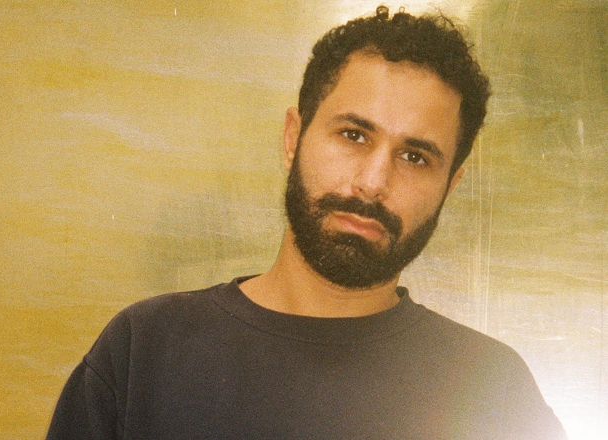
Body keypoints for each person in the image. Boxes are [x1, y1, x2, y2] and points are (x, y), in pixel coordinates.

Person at [47, 6, 567, 439]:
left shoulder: (494, 390)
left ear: (449, 186)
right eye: (354, 135)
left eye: (415, 157)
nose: (372, 182)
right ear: (293, 137)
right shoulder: (143, 351)